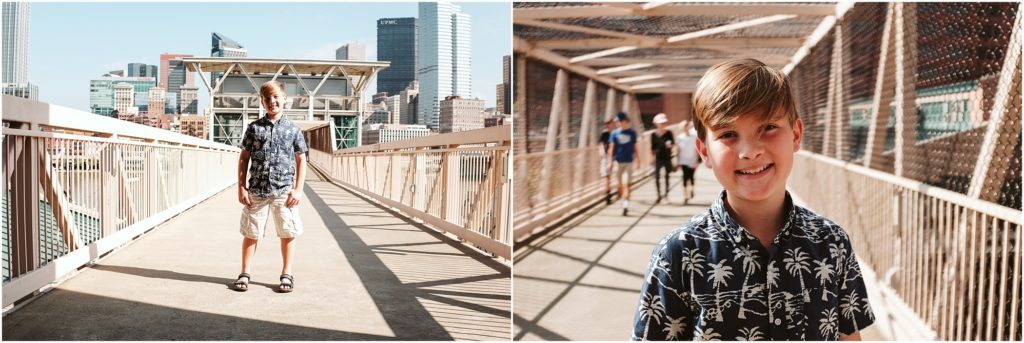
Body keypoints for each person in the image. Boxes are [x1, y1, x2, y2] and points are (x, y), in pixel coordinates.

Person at [632, 59, 874, 340]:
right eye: (728, 134)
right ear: (704, 151)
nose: (750, 151)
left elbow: (848, 336)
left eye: (768, 127)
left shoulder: (831, 242)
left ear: (796, 135)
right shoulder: (676, 253)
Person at [234, 80, 309, 293]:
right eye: (267, 98)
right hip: (256, 189)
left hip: (283, 191)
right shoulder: (254, 128)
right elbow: (244, 157)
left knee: (287, 232)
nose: (272, 101)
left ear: (284, 99)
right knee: (251, 232)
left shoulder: (293, 130)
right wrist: (241, 187)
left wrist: (298, 188)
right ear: (262, 102)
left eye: (276, 97)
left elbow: (301, 159)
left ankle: (287, 273)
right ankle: (245, 272)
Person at [607, 112, 637, 216]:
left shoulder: (632, 133)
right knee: (619, 185)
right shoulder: (614, 133)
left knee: (626, 184)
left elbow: (635, 147)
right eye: (618, 121)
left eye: (620, 121)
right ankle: (623, 200)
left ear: (626, 121)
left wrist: (638, 160)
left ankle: (625, 205)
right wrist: (609, 162)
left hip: (628, 162)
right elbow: (611, 149)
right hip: (618, 162)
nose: (619, 123)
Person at [649, 113, 675, 204]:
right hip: (658, 158)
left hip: (667, 157)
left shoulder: (669, 133)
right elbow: (652, 148)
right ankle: (659, 195)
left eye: (664, 123)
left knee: (667, 176)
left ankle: (666, 195)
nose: (663, 125)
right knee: (656, 177)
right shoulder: (653, 135)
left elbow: (673, 144)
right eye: (661, 123)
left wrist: (670, 146)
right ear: (656, 124)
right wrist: (652, 159)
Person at [676, 120, 700, 204]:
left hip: (692, 160)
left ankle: (691, 190)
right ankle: (686, 196)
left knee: (691, 177)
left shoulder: (694, 136)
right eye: (683, 128)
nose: (685, 129)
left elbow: (697, 149)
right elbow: (678, 150)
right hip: (683, 161)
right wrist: (678, 162)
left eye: (686, 127)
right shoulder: (679, 138)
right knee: (685, 177)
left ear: (688, 127)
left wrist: (697, 160)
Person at [600, 119, 616, 205]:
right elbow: (601, 144)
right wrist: (602, 153)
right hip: (606, 157)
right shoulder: (605, 134)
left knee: (616, 177)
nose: (611, 125)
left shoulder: (617, 133)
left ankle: (619, 192)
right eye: (609, 124)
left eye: (612, 123)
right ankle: (608, 195)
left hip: (616, 157)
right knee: (607, 177)